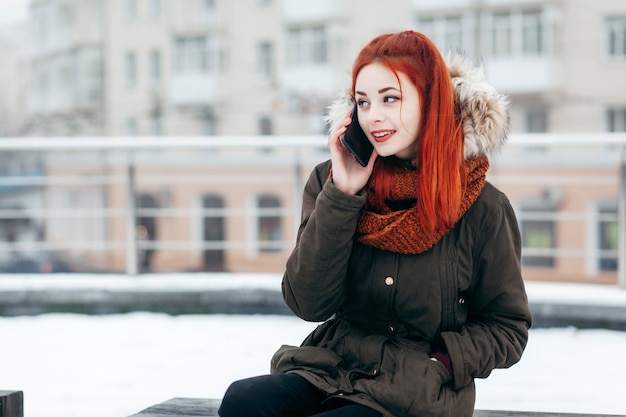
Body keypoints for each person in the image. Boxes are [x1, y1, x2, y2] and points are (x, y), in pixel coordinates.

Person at [218, 30, 532, 417]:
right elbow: (308, 302)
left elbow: (508, 326)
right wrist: (343, 196)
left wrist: (445, 362)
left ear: (431, 101)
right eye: (363, 102)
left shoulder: (483, 206)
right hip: (333, 368)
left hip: (415, 391)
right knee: (244, 402)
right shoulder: (332, 181)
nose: (373, 117)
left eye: (390, 98)